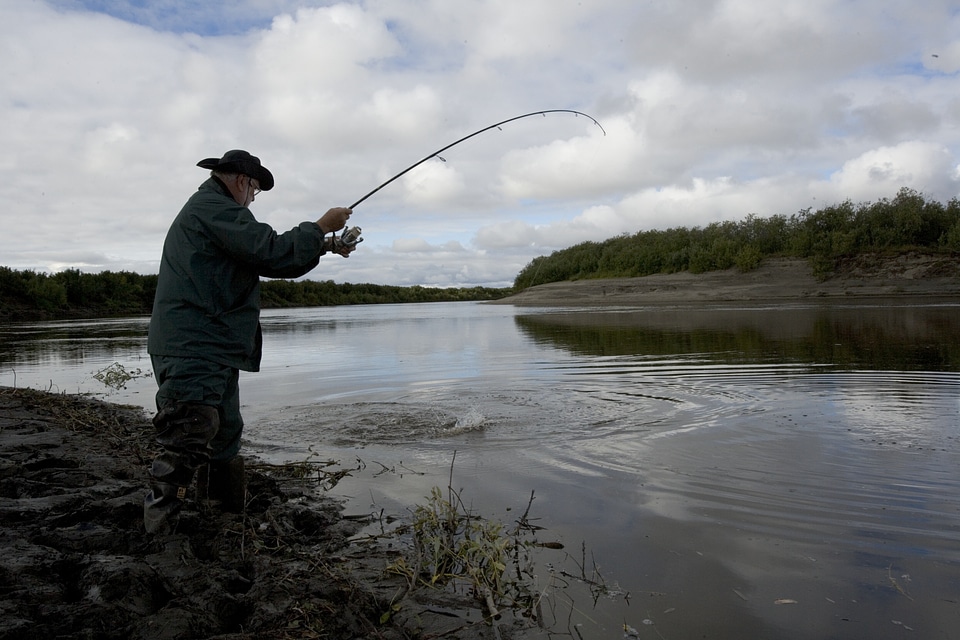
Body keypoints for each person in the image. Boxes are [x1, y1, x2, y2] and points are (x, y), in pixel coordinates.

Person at [143, 149, 356, 533]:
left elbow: (264, 258)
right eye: (255, 190)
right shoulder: (212, 207)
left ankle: (222, 516)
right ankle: (161, 532)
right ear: (242, 181)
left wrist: (324, 246)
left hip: (213, 346)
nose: (253, 198)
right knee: (187, 436)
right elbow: (270, 251)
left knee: (224, 433)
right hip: (194, 345)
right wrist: (321, 226)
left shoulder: (216, 212)